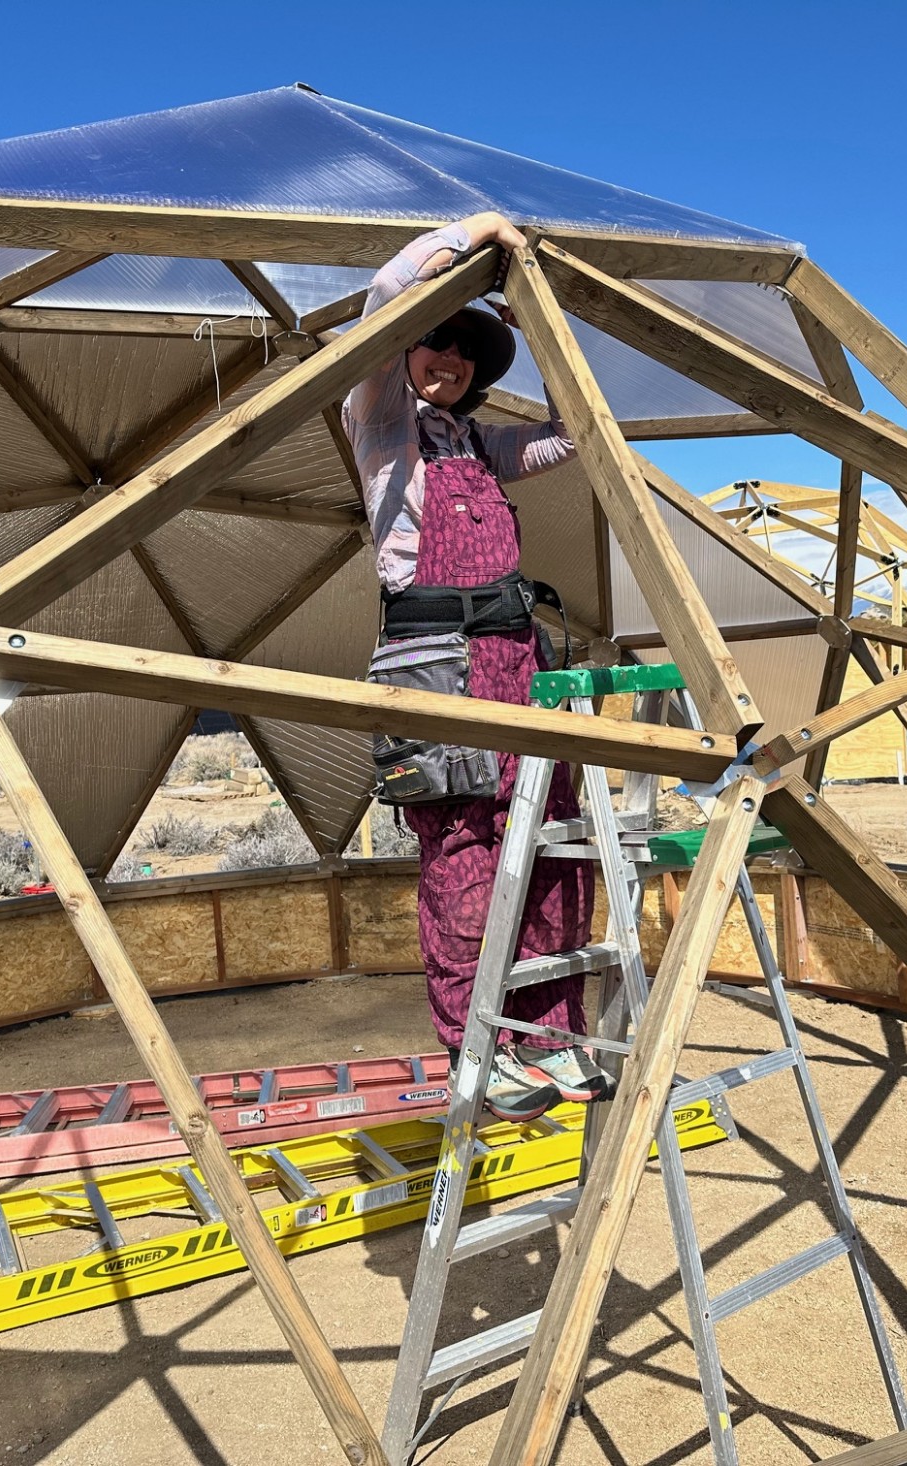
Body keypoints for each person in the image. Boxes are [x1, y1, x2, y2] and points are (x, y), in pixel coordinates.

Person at [343, 212, 603, 1122]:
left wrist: (539, 330)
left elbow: (575, 431)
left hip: (513, 655)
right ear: (405, 352)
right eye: (431, 343)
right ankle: (477, 1049)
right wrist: (476, 232)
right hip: (434, 663)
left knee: (548, 838)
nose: (446, 360)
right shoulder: (381, 429)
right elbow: (381, 302)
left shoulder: (480, 443)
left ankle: (553, 1040)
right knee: (463, 849)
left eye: (464, 348)